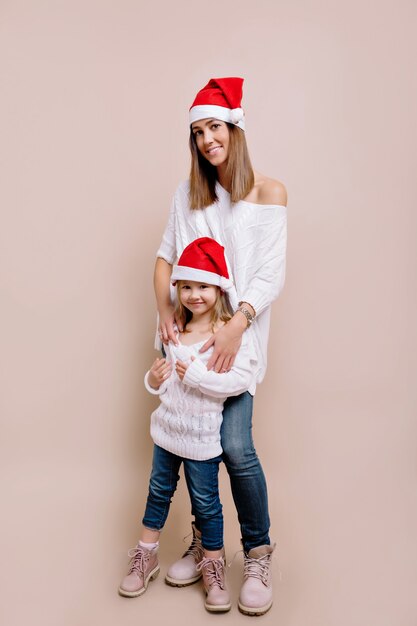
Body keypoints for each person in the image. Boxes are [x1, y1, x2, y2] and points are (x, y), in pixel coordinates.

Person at [154, 77, 287, 616]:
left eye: (214, 126)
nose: (207, 139)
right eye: (198, 131)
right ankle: (207, 545)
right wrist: (164, 309)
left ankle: (257, 551)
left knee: (235, 446)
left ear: (236, 128)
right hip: (189, 344)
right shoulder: (188, 196)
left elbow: (271, 271)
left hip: (239, 344)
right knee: (193, 446)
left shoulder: (270, 193)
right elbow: (166, 258)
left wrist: (239, 324)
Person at [119, 237, 257, 613]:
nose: (195, 295)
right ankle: (146, 555)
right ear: (178, 289)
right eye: (187, 287)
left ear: (218, 289)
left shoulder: (227, 335)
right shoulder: (172, 330)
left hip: (201, 441)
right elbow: (161, 385)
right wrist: (153, 377)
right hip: (166, 433)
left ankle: (211, 565)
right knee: (158, 493)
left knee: (206, 504)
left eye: (204, 287)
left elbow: (238, 381)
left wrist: (197, 376)